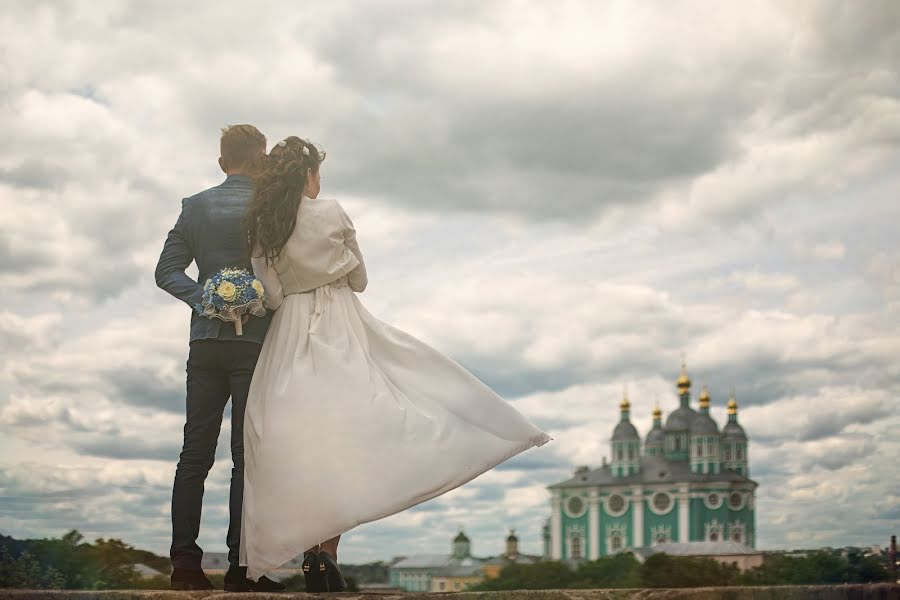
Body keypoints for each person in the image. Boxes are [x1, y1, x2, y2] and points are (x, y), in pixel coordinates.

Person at [239, 136, 553, 590]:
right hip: (341, 327)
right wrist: (335, 268)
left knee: (298, 444)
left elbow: (271, 295)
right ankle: (327, 554)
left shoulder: (265, 224)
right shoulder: (333, 212)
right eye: (317, 175)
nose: (319, 183)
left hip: (290, 333)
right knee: (351, 435)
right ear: (308, 174)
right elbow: (361, 280)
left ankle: (309, 554)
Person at [155, 124, 285, 592]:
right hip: (254, 344)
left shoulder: (195, 206)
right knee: (245, 458)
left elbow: (166, 271)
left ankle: (184, 566)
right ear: (260, 158)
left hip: (204, 343)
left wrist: (204, 298)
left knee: (194, 454)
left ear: (221, 161)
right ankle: (241, 568)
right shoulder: (270, 206)